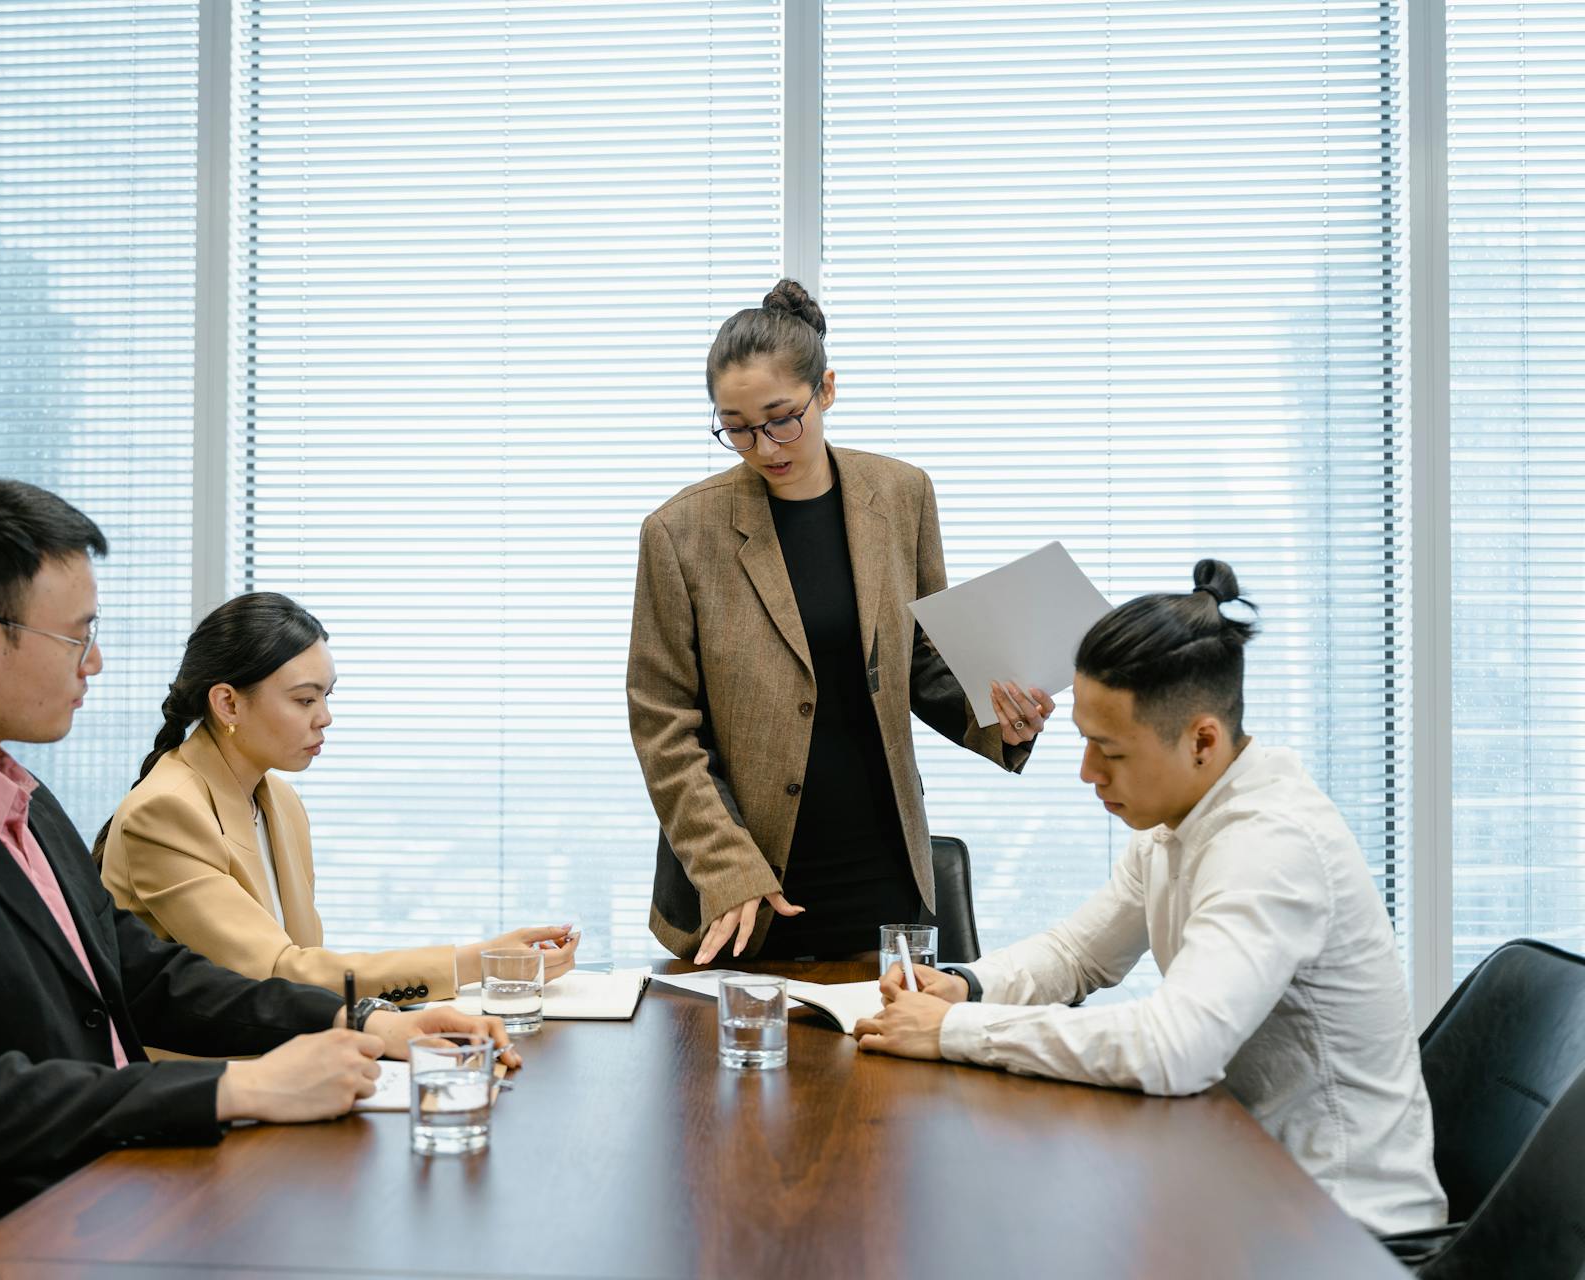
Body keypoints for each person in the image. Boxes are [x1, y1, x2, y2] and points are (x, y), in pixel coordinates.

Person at [0, 480, 514, 1279]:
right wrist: (234, 1090)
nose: (96, 663)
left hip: (108, 1189)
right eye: (78, 638)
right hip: (7, 1238)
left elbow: (144, 977)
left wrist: (367, 1020)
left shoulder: (21, 804)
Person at [854, 559, 1447, 1235]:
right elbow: (1078, 954)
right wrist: (964, 987)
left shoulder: (1270, 847)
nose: (1087, 772)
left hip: (1340, 1225)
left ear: (1202, 740)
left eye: (1110, 750)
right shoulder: (1186, 815)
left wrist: (956, 1032)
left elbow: (1173, 1049)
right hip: (1240, 1174)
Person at [628, 279, 1050, 964]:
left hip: (880, 865)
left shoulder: (901, 494)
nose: (763, 446)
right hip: (744, 884)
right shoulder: (679, 532)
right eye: (734, 428)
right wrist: (727, 866)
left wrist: (1002, 718)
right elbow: (661, 719)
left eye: (780, 417)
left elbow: (922, 661)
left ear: (825, 389)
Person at [96, 591, 577, 1007]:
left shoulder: (279, 801)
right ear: (227, 703)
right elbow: (277, 974)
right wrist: (479, 961)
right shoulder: (165, 811)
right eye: (305, 700)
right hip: (207, 1084)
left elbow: (306, 968)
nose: (325, 717)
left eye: (327, 696)